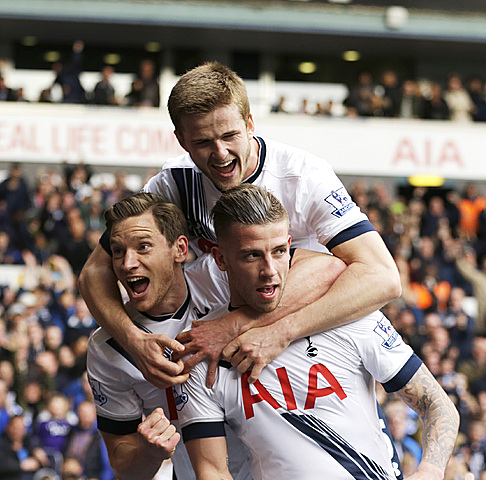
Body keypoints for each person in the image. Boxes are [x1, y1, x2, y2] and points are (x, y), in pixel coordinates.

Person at [160, 184, 459, 480]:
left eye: (280, 252)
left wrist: (428, 473)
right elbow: (212, 471)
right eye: (251, 256)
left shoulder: (348, 314)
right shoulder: (205, 354)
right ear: (220, 259)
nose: (270, 270)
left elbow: (439, 405)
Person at [86, 192, 344, 480]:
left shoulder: (224, 279)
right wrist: (151, 450)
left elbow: (330, 266)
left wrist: (234, 322)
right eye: (118, 252)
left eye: (143, 247)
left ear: (181, 249)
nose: (128, 263)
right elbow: (127, 469)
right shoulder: (108, 349)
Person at [78, 61, 401, 391]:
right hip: (222, 351)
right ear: (181, 140)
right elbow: (94, 272)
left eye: (230, 135)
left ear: (250, 123)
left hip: (306, 334)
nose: (220, 154)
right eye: (203, 142)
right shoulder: (173, 184)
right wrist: (133, 341)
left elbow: (383, 277)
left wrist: (250, 327)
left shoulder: (304, 176)